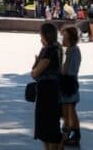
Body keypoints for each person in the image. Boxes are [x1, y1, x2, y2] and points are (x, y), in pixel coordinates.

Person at [31, 22, 63, 150]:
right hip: (54, 89)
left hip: (47, 92)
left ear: (45, 35)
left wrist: (36, 63)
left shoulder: (49, 50)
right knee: (51, 126)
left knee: (48, 127)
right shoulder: (58, 47)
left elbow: (35, 73)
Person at [60, 27, 82, 146]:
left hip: (69, 84)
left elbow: (68, 71)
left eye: (64, 36)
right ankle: (70, 133)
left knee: (69, 111)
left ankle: (72, 134)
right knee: (69, 111)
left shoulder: (73, 51)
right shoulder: (71, 50)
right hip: (68, 83)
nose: (62, 38)